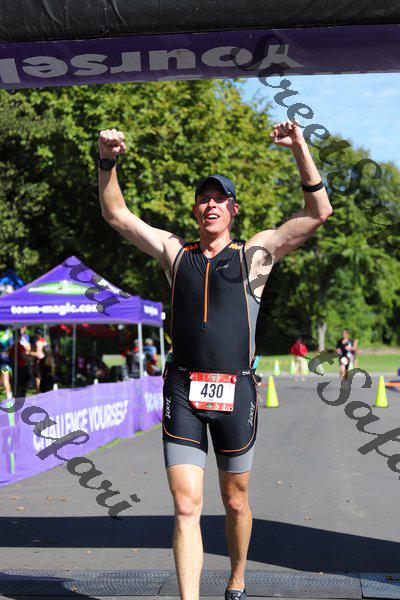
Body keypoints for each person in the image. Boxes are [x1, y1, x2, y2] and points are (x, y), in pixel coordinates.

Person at [98, 119, 332, 600]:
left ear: (233, 209)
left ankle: (237, 579)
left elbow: (318, 211)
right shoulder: (174, 253)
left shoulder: (255, 255)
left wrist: (299, 146)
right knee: (186, 506)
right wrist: (106, 160)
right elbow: (116, 214)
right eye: (203, 198)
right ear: (195, 209)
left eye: (219, 199)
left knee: (235, 500)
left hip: (235, 390)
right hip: (183, 391)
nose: (210, 205)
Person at [8, 330, 31, 397]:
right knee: (22, 384)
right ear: (18, 336)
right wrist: (29, 358)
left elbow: (10, 356)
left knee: (18, 383)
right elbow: (23, 355)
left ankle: (18, 396)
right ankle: (20, 397)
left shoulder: (12, 346)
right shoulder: (19, 346)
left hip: (16, 367)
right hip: (21, 367)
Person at [29, 327, 48, 393]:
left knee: (38, 377)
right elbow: (48, 352)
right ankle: (41, 391)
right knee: (41, 377)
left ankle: (38, 392)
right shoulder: (44, 341)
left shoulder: (38, 342)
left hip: (39, 361)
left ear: (37, 334)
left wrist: (29, 352)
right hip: (44, 360)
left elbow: (38, 354)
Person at [0, 326, 13, 399]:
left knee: (5, 377)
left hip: (4, 361)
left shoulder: (8, 334)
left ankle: (9, 397)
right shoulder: (10, 334)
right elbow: (11, 346)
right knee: (5, 378)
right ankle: (9, 397)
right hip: (4, 360)